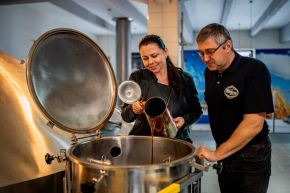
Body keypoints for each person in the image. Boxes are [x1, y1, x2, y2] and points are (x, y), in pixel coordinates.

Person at [195, 23, 273, 193]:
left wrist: (216, 154)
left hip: (251, 157)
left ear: (227, 46)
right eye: (201, 53)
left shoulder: (254, 70)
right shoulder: (210, 72)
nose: (205, 58)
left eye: (210, 51)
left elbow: (254, 123)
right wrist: (220, 150)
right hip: (226, 154)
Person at [121, 34, 202, 142]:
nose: (150, 62)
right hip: (144, 143)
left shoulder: (185, 79)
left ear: (165, 52)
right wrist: (133, 109)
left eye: (154, 56)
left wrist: (184, 120)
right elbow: (125, 116)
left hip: (176, 141)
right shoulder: (138, 77)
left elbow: (196, 110)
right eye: (145, 58)